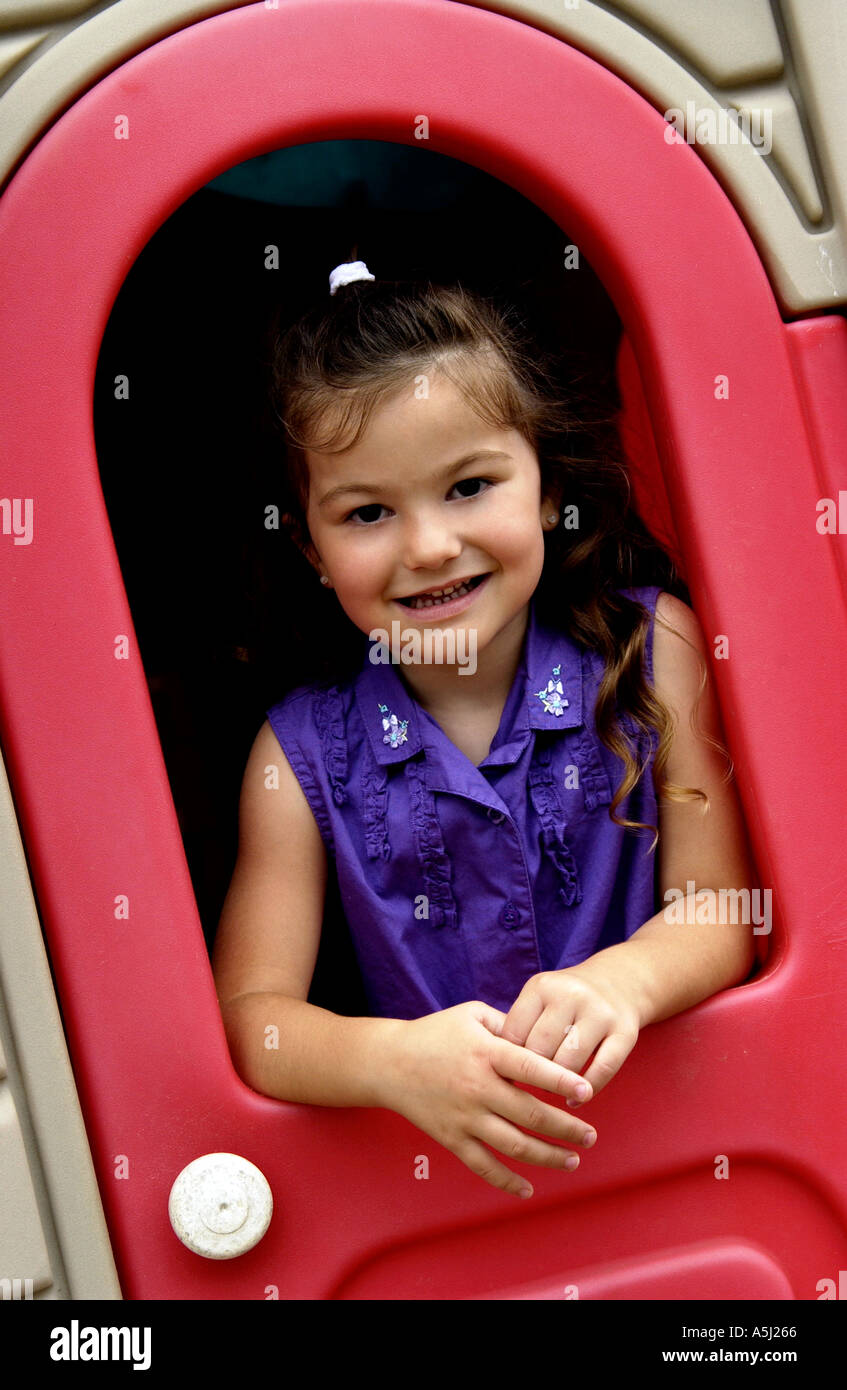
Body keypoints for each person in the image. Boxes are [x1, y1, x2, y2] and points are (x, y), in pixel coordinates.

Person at [213, 260, 757, 1201]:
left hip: (686, 1166)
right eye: (369, 513)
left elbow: (722, 912)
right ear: (311, 547)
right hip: (440, 1206)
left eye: (469, 486)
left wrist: (623, 983)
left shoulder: (652, 648)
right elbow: (251, 1020)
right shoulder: (295, 755)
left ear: (546, 487)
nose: (427, 545)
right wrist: (392, 1062)